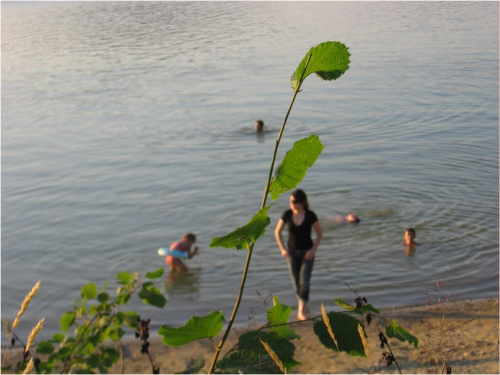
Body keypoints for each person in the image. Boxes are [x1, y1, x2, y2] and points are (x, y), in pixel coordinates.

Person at [275, 189, 323, 321]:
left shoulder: (310, 215)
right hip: (291, 253)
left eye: (294, 202)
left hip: (307, 253)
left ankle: (301, 311)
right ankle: (304, 306)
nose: (292, 204)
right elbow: (277, 231)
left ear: (302, 202)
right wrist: (282, 249)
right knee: (296, 282)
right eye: (290, 201)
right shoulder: (287, 214)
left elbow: (319, 233)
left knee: (304, 281)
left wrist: (313, 250)